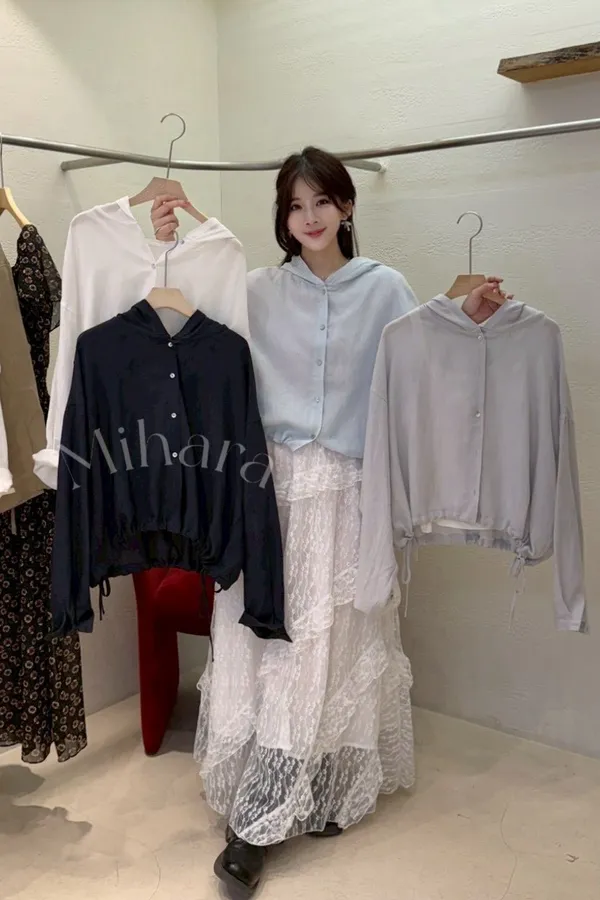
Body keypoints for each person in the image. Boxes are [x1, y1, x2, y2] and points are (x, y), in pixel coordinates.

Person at [151, 146, 509, 895]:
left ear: (347, 206)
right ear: (282, 218)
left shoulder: (384, 289)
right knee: (268, 639)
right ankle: (254, 818)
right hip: (268, 487)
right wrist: (173, 238)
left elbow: (422, 360)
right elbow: (191, 307)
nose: (308, 217)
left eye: (321, 201)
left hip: (348, 489)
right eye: (294, 205)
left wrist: (468, 317)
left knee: (333, 641)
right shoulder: (257, 288)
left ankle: (321, 785)